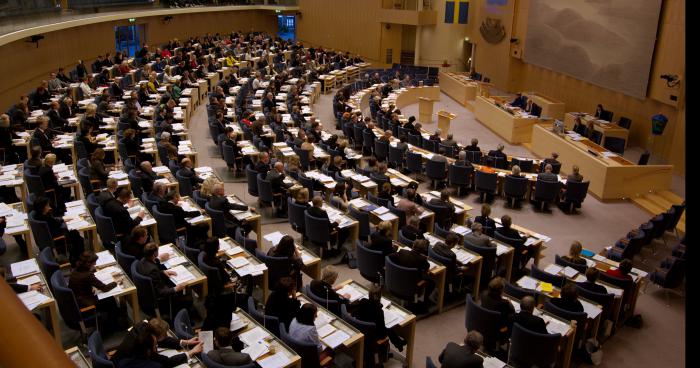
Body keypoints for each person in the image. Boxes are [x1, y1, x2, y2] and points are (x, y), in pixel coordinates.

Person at [111, 318, 202, 367]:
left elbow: (163, 340)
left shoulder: (145, 327)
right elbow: (166, 362)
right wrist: (191, 352)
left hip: (119, 358)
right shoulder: (144, 344)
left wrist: (185, 342)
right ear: (155, 338)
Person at [350, 285, 407, 353]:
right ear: (380, 297)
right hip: (374, 335)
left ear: (369, 294)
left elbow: (355, 312)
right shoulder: (379, 311)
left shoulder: (363, 301)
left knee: (389, 329)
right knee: (388, 328)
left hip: (362, 328)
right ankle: (398, 343)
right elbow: (382, 329)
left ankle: (398, 343)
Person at [32, 196, 85, 265]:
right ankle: (77, 258)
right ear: (43, 208)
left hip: (50, 234)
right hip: (57, 236)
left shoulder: (37, 215)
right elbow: (55, 223)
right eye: (47, 205)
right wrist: (63, 220)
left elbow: (54, 221)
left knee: (75, 234)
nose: (49, 206)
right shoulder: (46, 218)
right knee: (78, 237)